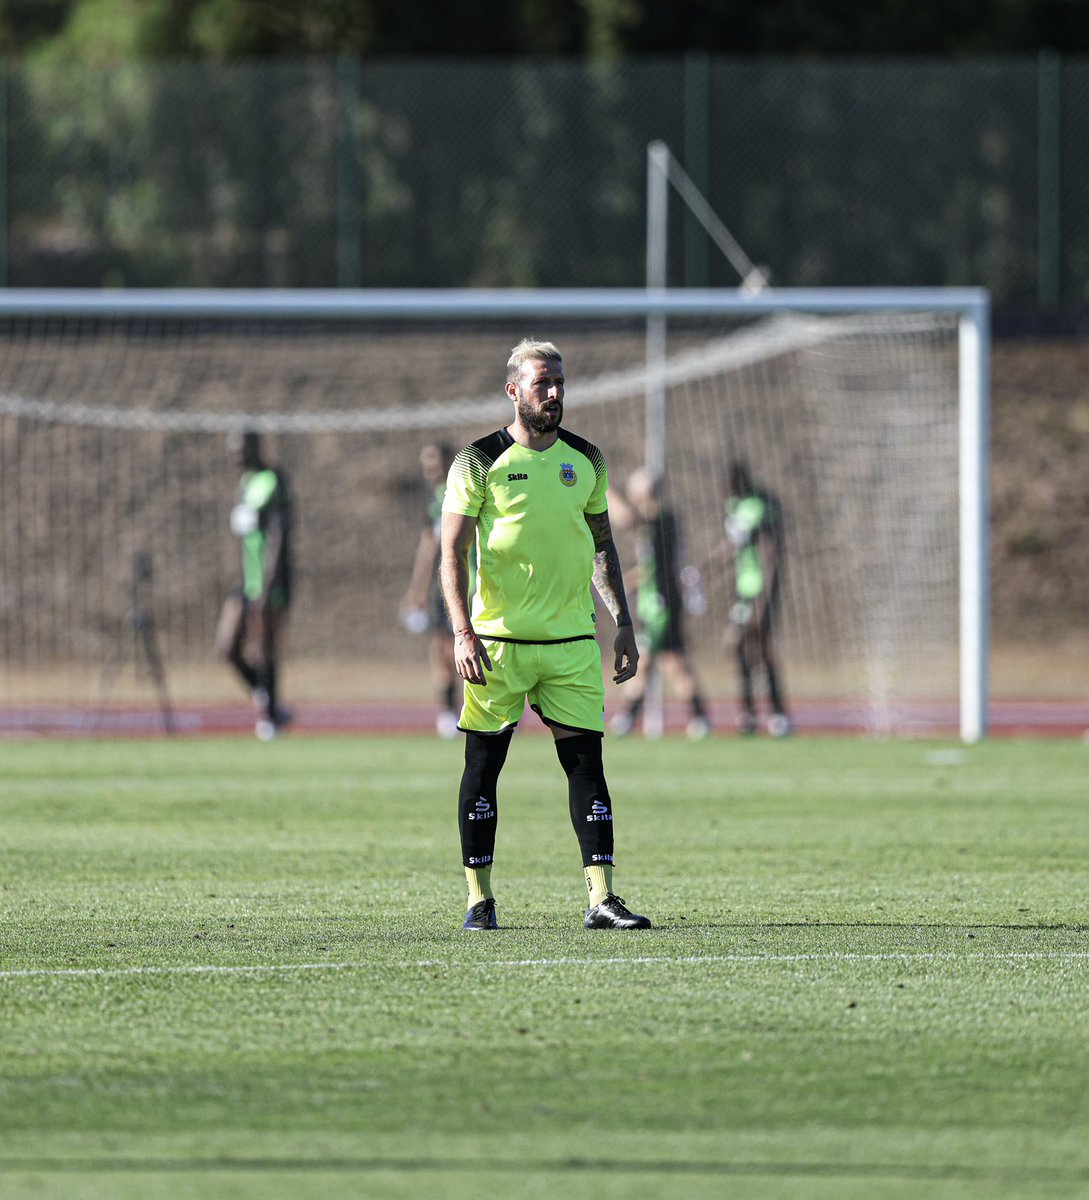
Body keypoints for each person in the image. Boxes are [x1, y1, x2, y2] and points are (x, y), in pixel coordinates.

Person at [440, 337, 651, 932]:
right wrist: (461, 631)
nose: (554, 393)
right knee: (482, 769)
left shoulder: (587, 460)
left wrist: (623, 623)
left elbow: (603, 546)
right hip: (497, 647)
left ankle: (602, 898)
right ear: (514, 390)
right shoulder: (477, 461)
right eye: (542, 384)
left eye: (560, 382)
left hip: (570, 646)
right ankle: (480, 900)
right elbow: (450, 550)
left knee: (588, 768)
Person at [608, 466, 710, 739]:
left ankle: (627, 717)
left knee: (646, 658)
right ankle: (699, 717)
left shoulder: (660, 519)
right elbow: (650, 565)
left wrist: (602, 486)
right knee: (674, 662)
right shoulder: (655, 525)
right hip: (654, 601)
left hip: (661, 603)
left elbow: (627, 519)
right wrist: (630, 581)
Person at [216, 428, 293, 741]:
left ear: (255, 447)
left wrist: (268, 583)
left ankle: (270, 718)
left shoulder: (273, 481)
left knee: (264, 649)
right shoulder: (244, 484)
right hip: (246, 580)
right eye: (231, 450)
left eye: (241, 449)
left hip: (268, 581)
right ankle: (268, 700)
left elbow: (279, 538)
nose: (236, 455)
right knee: (227, 647)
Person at [722, 459, 791, 737]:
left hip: (761, 589)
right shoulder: (734, 506)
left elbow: (770, 554)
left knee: (758, 647)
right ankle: (749, 713)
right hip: (744, 589)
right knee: (739, 646)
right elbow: (732, 546)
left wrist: (764, 600)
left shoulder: (759, 507)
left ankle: (777, 714)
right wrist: (705, 568)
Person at [400, 442, 460, 738]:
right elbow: (427, 547)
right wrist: (417, 590)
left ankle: (483, 709)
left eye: (435, 462)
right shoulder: (434, 501)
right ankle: (449, 711)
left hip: (468, 584)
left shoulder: (467, 493)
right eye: (427, 463)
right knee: (440, 649)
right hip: (442, 587)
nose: (431, 469)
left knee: (460, 649)